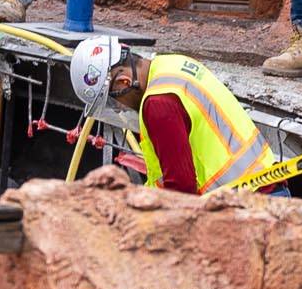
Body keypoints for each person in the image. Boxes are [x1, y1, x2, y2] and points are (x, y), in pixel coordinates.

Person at [69, 35, 270, 195]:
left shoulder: (158, 104)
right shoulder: (170, 65)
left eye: (114, 102)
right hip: (262, 186)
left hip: (245, 205)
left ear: (124, 82)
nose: (120, 109)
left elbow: (180, 190)